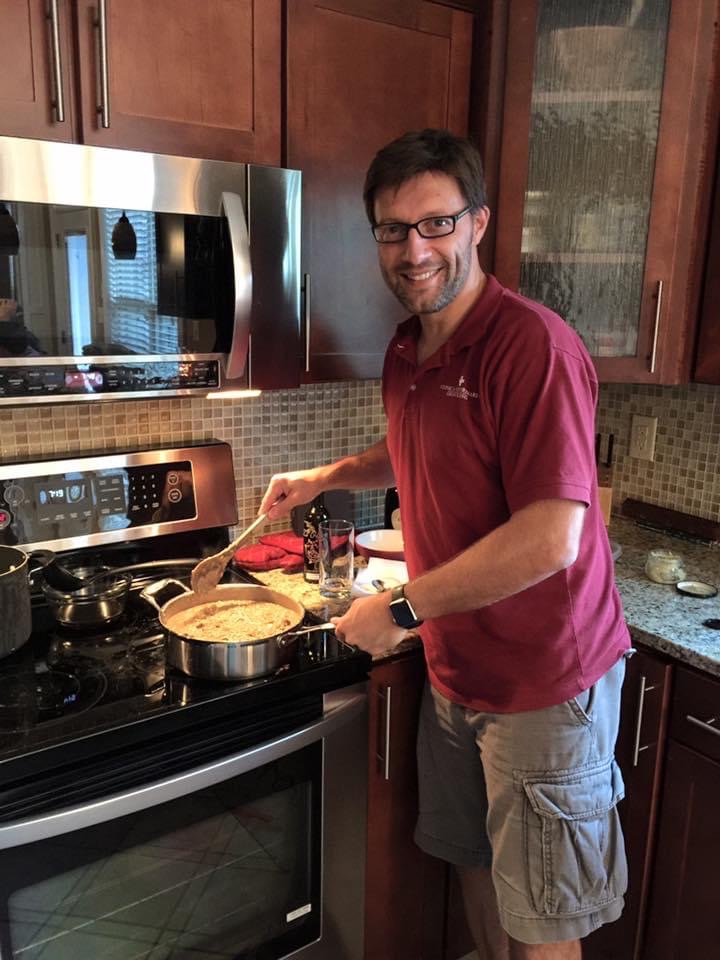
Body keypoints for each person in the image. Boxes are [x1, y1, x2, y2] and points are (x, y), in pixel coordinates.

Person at [259, 128, 630, 959]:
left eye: (437, 224)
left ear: (478, 224)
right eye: (394, 229)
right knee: (474, 871)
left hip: (544, 678)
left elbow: (551, 538)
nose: (415, 250)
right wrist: (324, 475)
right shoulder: (409, 344)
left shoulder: (530, 346)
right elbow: (414, 440)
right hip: (457, 667)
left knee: (543, 922)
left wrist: (401, 605)